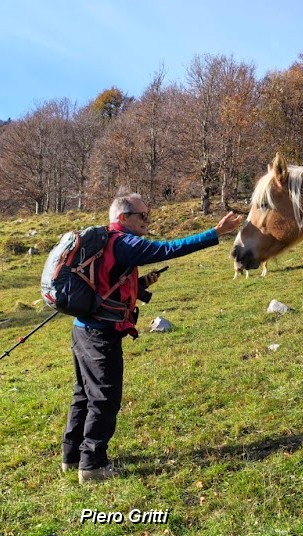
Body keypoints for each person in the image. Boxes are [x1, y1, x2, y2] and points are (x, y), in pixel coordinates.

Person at [62, 187, 243, 483]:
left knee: (83, 394)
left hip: (83, 329)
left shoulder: (105, 241)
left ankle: (72, 456)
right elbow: (168, 249)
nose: (147, 219)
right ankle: (92, 465)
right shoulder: (124, 242)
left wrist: (143, 282)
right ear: (124, 216)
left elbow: (107, 283)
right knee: (104, 398)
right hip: (100, 334)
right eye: (143, 215)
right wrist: (215, 232)